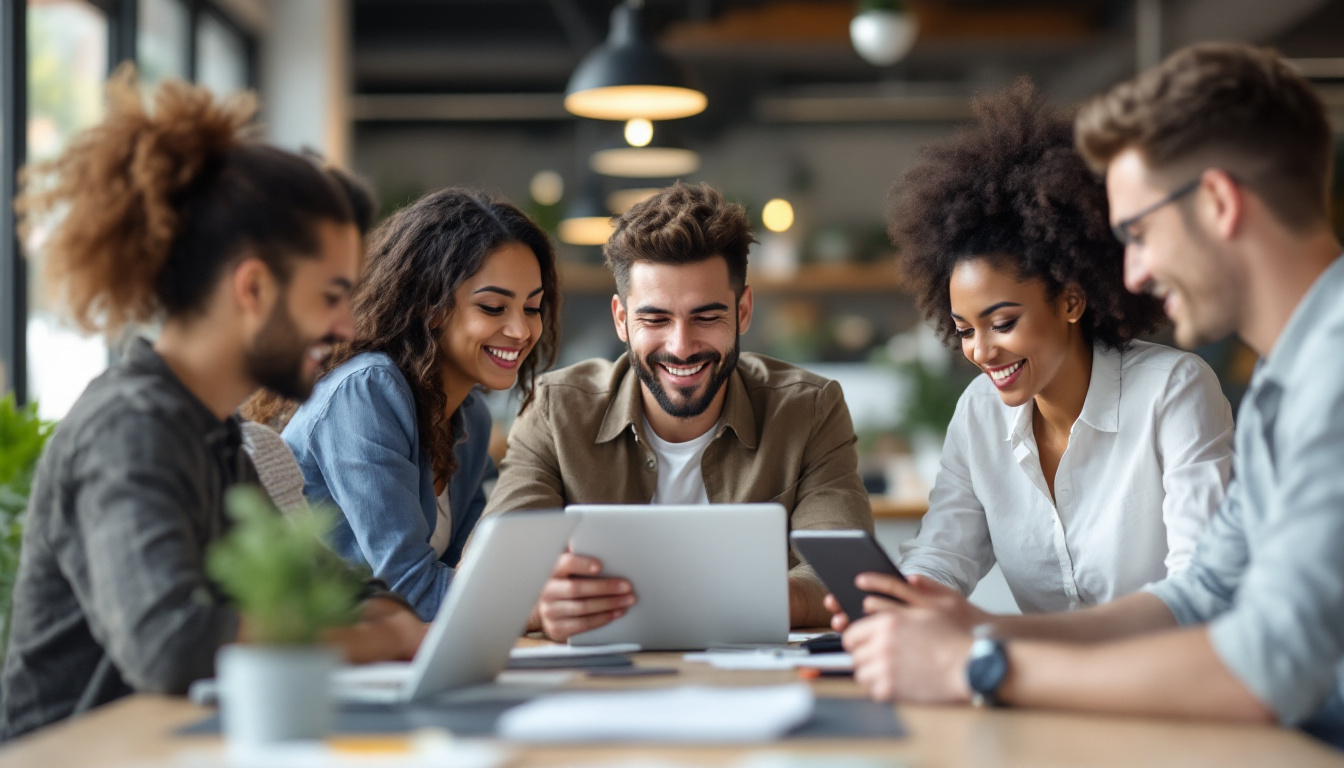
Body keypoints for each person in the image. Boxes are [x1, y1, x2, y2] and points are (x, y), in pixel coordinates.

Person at [833, 43, 1344, 747]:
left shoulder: (1333, 375)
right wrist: (975, 628)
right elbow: (1203, 595)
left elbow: (1268, 664)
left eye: (1137, 233)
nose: (1130, 272)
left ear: (1220, 202)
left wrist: (982, 665)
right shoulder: (1287, 383)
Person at [0, 70, 424, 739]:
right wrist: (379, 639)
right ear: (253, 288)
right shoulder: (130, 428)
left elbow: (328, 584)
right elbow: (173, 645)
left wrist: (391, 616)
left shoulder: (212, 431)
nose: (347, 327)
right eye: (330, 296)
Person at [888, 79, 1233, 613]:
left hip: (1163, 683)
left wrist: (1013, 641)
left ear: (1071, 301)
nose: (980, 351)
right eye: (964, 330)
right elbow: (940, 556)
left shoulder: (1173, 391)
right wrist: (898, 599)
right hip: (1040, 687)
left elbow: (1200, 588)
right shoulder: (979, 415)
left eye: (1002, 322)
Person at [481, 182, 874, 640]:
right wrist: (538, 607)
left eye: (706, 317)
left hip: (752, 685)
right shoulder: (555, 408)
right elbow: (487, 577)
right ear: (621, 319)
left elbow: (852, 580)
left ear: (743, 311)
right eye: (655, 319)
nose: (681, 347)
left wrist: (758, 599)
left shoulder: (809, 409)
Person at [246, 188, 559, 621]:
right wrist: (538, 607)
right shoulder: (367, 391)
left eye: (532, 307)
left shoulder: (472, 420)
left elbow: (473, 573)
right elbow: (409, 592)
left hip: (402, 659)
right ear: (432, 306)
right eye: (492, 307)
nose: (521, 330)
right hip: (322, 654)